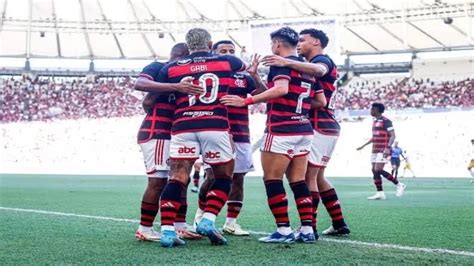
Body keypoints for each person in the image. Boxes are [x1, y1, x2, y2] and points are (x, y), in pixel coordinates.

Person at [222, 26, 325, 243]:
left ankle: (284, 230)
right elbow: (320, 101)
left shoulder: (279, 64)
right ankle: (307, 230)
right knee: (298, 181)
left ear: (277, 44)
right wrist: (255, 78)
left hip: (281, 128)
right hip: (303, 129)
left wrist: (246, 101)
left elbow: (281, 90)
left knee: (272, 180)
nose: (272, 48)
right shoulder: (307, 68)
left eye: (272, 44)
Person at [156, 28, 247, 247]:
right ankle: (208, 219)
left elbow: (159, 88)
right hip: (215, 125)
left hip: (183, 125)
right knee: (224, 176)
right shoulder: (228, 61)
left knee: (177, 178)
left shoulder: (171, 68)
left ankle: (167, 231)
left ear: (187, 45)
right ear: (210, 43)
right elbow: (244, 68)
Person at [262, 28, 350, 236]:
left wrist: (286, 62)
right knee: (318, 177)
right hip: (326, 124)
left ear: (317, 42)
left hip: (317, 124)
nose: (299, 44)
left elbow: (319, 72)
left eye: (303, 40)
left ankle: (308, 227)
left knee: (306, 178)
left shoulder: (321, 60)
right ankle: (338, 223)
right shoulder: (307, 68)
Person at [133, 43, 204, 242]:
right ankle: (144, 228)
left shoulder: (186, 75)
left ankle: (180, 225)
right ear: (183, 55)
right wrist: (175, 87)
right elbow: (140, 85)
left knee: (181, 179)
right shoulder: (157, 67)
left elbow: (148, 102)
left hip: (178, 133)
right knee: (158, 181)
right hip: (157, 132)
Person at [193, 40, 258, 236]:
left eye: (231, 51)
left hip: (240, 133)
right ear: (213, 53)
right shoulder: (207, 74)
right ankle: (200, 215)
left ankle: (231, 223)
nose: (228, 54)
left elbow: (263, 94)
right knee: (212, 176)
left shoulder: (243, 77)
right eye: (223, 51)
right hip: (215, 131)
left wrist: (254, 75)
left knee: (238, 178)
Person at [357, 103, 406, 200]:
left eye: (372, 109)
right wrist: (363, 146)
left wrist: (388, 147)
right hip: (374, 150)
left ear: (377, 110)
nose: (371, 111)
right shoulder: (375, 121)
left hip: (383, 149)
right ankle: (380, 193)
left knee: (378, 169)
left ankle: (399, 184)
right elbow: (374, 137)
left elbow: (393, 135)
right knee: (374, 171)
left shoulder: (386, 121)